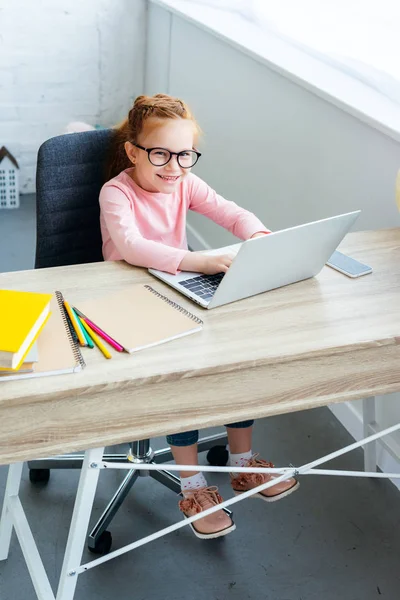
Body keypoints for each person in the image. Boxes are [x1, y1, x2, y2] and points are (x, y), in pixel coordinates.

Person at [99, 93, 299, 540]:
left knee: (234, 358)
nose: (173, 167)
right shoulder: (116, 192)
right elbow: (132, 248)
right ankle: (192, 486)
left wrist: (260, 235)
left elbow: (230, 212)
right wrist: (202, 262)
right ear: (133, 151)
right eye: (160, 154)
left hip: (178, 287)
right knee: (182, 376)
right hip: (130, 298)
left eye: (184, 155)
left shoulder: (186, 181)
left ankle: (242, 463)